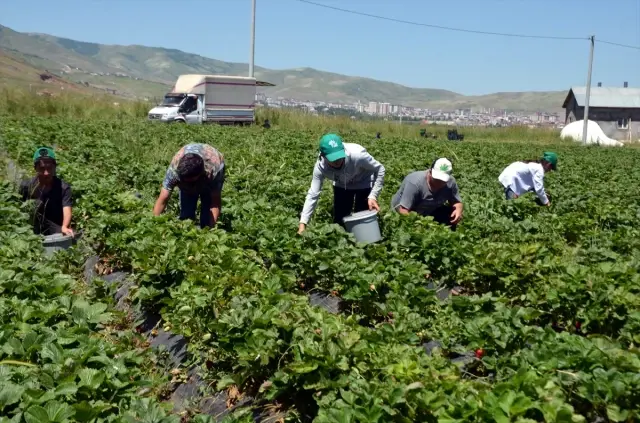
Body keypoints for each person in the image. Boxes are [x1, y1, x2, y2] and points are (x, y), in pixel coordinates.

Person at [298, 134, 385, 234]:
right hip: (341, 184)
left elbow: (380, 169)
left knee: (362, 216)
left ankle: (365, 242)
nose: (337, 161)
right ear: (323, 156)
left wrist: (373, 195)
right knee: (340, 219)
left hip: (363, 180)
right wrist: (302, 224)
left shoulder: (358, 155)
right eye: (333, 159)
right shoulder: (320, 168)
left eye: (339, 156)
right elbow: (313, 194)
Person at [153, 143, 225, 228]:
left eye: (190, 180)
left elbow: (215, 203)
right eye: (184, 179)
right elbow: (163, 198)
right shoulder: (174, 170)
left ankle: (205, 227)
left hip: (210, 171)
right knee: (186, 216)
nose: (188, 183)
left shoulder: (214, 170)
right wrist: (154, 223)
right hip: (188, 169)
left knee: (207, 215)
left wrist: (209, 229)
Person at [391, 158, 463, 230]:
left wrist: (458, 209)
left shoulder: (451, 182)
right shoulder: (415, 182)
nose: (439, 183)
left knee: (451, 213)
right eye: (437, 179)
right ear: (430, 172)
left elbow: (456, 202)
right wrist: (417, 227)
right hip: (408, 212)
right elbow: (403, 210)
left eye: (443, 180)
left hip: (430, 210)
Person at [19, 146, 74, 236]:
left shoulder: (63, 187)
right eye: (42, 168)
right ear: (35, 168)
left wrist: (64, 226)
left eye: (49, 168)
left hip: (55, 226)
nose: (46, 173)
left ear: (55, 167)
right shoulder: (26, 186)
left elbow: (67, 208)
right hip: (30, 226)